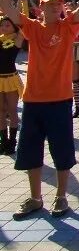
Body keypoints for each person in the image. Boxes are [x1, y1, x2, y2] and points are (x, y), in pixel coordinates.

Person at [1, 0, 79, 220]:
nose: (58, 8)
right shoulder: (32, 28)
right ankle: (35, 197)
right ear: (41, 8)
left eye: (60, 4)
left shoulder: (68, 28)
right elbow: (6, 7)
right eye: (52, 5)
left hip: (60, 99)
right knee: (30, 151)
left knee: (62, 150)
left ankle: (61, 196)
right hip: (33, 100)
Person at [0, 12, 24, 155]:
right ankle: (3, 141)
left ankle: (12, 141)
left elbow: (23, 25)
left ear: (13, 27)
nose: (4, 27)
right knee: (1, 111)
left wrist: (22, 2)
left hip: (10, 79)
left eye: (7, 25)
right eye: (2, 25)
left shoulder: (17, 39)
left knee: (12, 110)